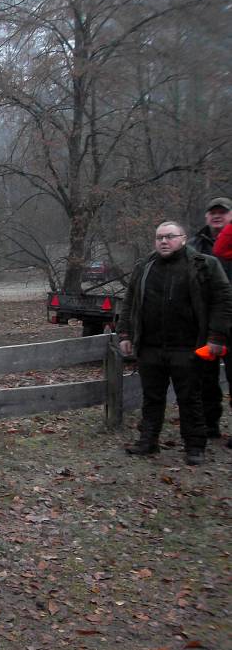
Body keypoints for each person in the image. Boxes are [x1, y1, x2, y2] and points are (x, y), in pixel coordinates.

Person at [116, 220, 232, 465]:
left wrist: (216, 337)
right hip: (150, 346)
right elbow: (130, 301)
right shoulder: (145, 266)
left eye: (170, 236)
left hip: (188, 346)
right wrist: (125, 334)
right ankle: (148, 441)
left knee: (190, 398)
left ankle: (195, 446)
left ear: (183, 238)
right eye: (159, 237)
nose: (164, 241)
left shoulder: (204, 265)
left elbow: (222, 302)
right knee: (151, 397)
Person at [189, 197, 232, 441]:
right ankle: (209, 424)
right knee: (205, 378)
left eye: (222, 212)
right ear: (206, 216)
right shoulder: (195, 245)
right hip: (203, 324)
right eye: (213, 212)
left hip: (230, 322)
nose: (217, 216)